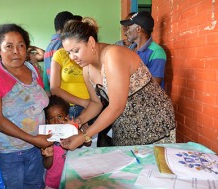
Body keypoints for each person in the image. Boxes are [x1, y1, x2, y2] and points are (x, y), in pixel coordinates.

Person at [59, 18, 176, 151]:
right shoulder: (86, 69)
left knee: (151, 166)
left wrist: (84, 135)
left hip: (153, 122)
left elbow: (116, 107)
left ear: (91, 42)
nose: (72, 57)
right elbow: (96, 103)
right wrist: (78, 121)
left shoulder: (113, 55)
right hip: (125, 124)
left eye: (75, 50)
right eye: (68, 53)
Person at [0, 23, 53, 189]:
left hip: (36, 149)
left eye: (21, 45)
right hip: (9, 153)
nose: (16, 51)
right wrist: (34, 139)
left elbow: (39, 104)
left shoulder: (32, 69)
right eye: (9, 46)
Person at [120, 11, 167, 88]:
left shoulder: (157, 52)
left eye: (129, 27)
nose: (126, 32)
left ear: (138, 29)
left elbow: (154, 86)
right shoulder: (129, 50)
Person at [42, 95, 70, 189]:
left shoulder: (72, 133)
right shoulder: (47, 139)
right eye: (51, 118)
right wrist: (49, 155)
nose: (56, 121)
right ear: (47, 121)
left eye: (60, 116)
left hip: (71, 182)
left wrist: (86, 138)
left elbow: (83, 146)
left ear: (67, 117)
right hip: (53, 184)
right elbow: (47, 165)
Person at [43, 11, 74, 93]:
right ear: (68, 24)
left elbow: (46, 75)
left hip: (56, 93)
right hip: (67, 92)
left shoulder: (48, 47)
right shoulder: (64, 45)